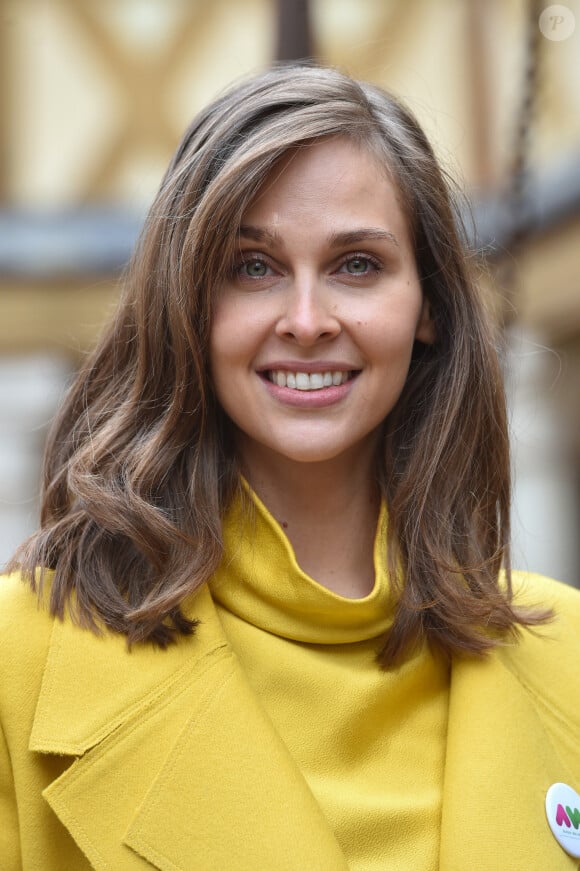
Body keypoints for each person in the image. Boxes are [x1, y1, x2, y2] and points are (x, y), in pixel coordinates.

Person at [1, 64, 579, 871]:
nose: (306, 322)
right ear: (185, 302)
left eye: (356, 265)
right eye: (253, 267)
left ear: (431, 308)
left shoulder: (569, 656)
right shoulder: (21, 654)